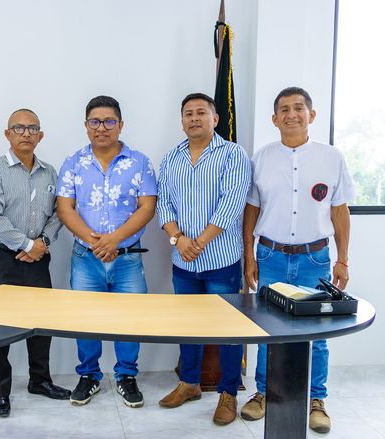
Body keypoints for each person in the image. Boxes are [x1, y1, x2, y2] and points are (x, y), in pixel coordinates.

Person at [241, 87, 355, 434]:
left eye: (298, 108)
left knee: (317, 333)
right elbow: (251, 210)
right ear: (274, 119)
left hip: (314, 258)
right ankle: (264, 393)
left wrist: (343, 260)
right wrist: (249, 255)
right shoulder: (262, 158)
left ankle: (316, 400)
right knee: (267, 329)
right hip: (271, 255)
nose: (291, 114)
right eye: (284, 110)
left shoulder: (331, 158)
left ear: (311, 115)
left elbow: (339, 211)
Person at [156, 92, 251, 425]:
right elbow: (163, 203)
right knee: (188, 325)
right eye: (188, 113)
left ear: (215, 119)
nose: (194, 118)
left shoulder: (233, 154)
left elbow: (231, 203)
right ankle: (190, 383)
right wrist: (178, 239)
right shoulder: (171, 158)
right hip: (183, 261)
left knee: (228, 329)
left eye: (201, 112)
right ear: (182, 121)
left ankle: (228, 393)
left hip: (221, 261)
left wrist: (199, 242)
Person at [56, 95, 157, 408]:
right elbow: (65, 208)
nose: (102, 128)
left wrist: (114, 240)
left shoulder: (139, 162)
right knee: (85, 320)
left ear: (121, 125)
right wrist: (97, 242)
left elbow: (147, 207)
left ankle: (126, 375)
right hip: (86, 258)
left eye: (109, 121)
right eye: (95, 122)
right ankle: (89, 376)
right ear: (86, 126)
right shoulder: (74, 162)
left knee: (131, 320)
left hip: (127, 257)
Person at [0, 108, 71, 418]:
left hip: (38, 258)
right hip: (0, 258)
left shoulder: (50, 173)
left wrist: (41, 242)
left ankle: (40, 381)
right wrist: (28, 244)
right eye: (19, 128)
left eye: (33, 128)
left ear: (41, 136)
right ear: (8, 134)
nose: (26, 133)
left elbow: (59, 213)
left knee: (41, 323)